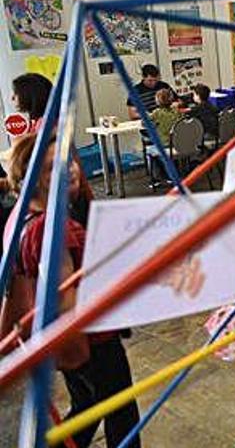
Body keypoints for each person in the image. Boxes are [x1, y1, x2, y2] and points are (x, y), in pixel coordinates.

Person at [0, 134, 141, 448]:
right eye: (54, 168)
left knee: (87, 406)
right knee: (121, 412)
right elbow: (67, 300)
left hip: (58, 340)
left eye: (70, 162)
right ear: (33, 179)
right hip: (91, 342)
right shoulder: (56, 228)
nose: (71, 171)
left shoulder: (19, 219)